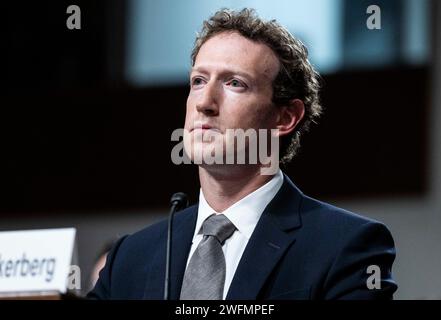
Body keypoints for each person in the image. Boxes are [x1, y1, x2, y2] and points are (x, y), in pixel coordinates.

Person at [88, 8, 397, 300]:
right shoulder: (129, 258)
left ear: (285, 117)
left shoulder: (346, 247)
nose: (204, 102)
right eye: (198, 81)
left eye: (234, 83)